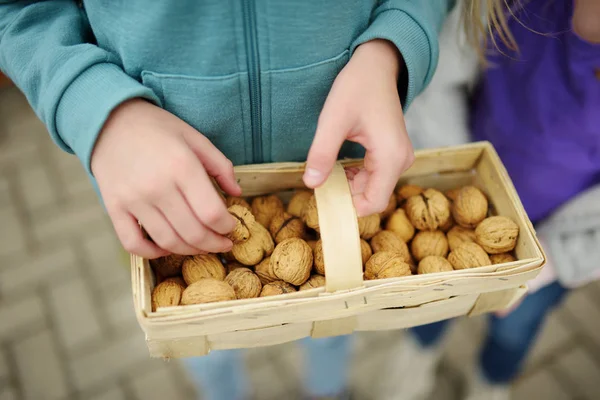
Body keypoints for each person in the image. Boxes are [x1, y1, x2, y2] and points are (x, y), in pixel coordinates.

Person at [0, 1, 516, 399]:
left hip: (337, 182)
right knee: (201, 345)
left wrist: (393, 45)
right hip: (159, 199)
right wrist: (92, 104)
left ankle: (327, 388)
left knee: (333, 316)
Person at [382, 1, 600, 399]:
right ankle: (415, 359)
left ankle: (491, 383)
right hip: (461, 200)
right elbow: (442, 79)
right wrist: (450, 168)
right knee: (433, 301)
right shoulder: (514, 6)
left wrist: (557, 259)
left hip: (553, 243)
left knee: (513, 330)